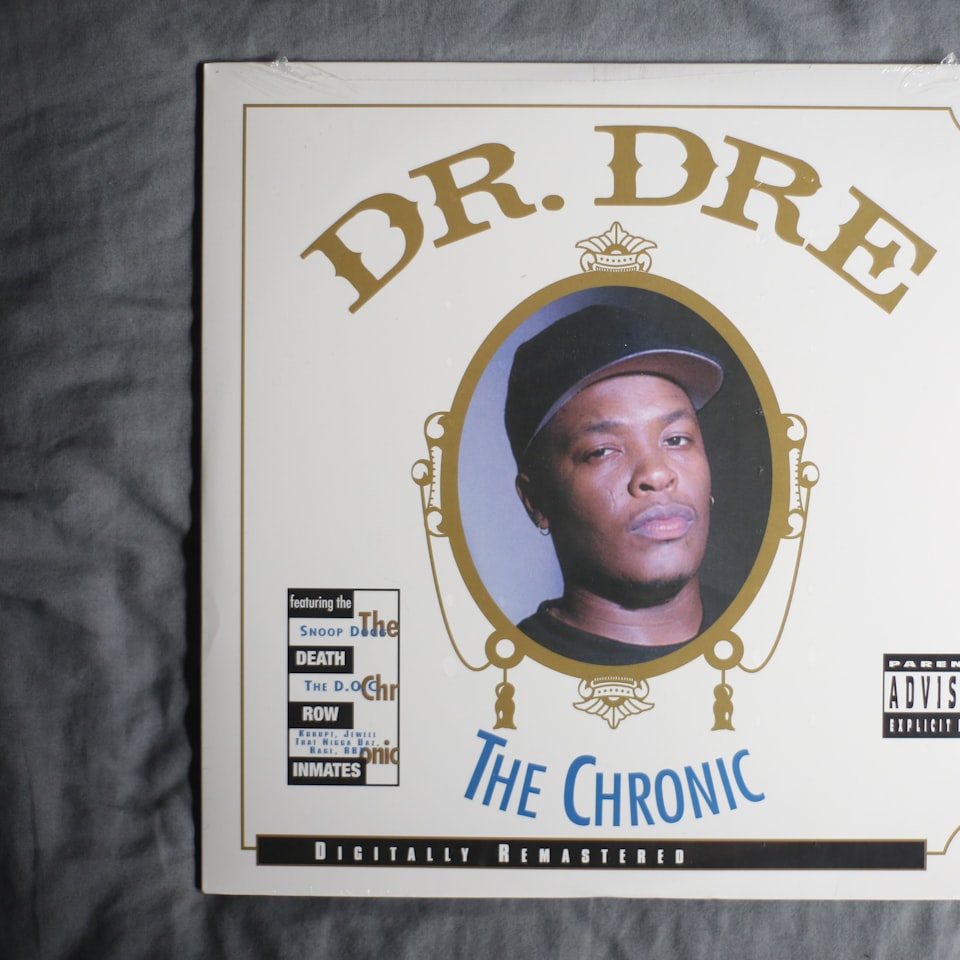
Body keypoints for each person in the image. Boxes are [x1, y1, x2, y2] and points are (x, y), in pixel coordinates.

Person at [504, 295, 730, 666]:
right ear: (535, 501)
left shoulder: (777, 635)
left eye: (676, 440)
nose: (656, 474)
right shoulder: (513, 672)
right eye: (602, 451)